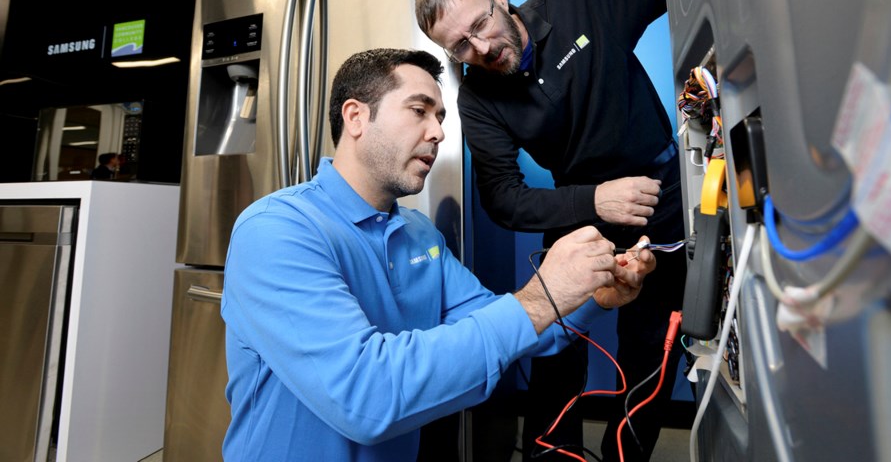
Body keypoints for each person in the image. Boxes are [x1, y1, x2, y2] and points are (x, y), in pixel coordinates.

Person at [220, 48, 656, 461]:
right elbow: (366, 397)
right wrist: (542, 296)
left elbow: (516, 326)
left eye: (440, 116)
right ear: (356, 116)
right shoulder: (278, 230)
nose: (439, 132)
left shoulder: (418, 233)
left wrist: (591, 297)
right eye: (419, 110)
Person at [414, 0, 685, 460]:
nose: (479, 48)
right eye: (459, 45)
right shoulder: (477, 97)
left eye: (479, 23)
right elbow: (504, 201)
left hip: (665, 196)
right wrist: (597, 202)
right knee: (555, 345)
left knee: (652, 350)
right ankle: (549, 456)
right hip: (582, 214)